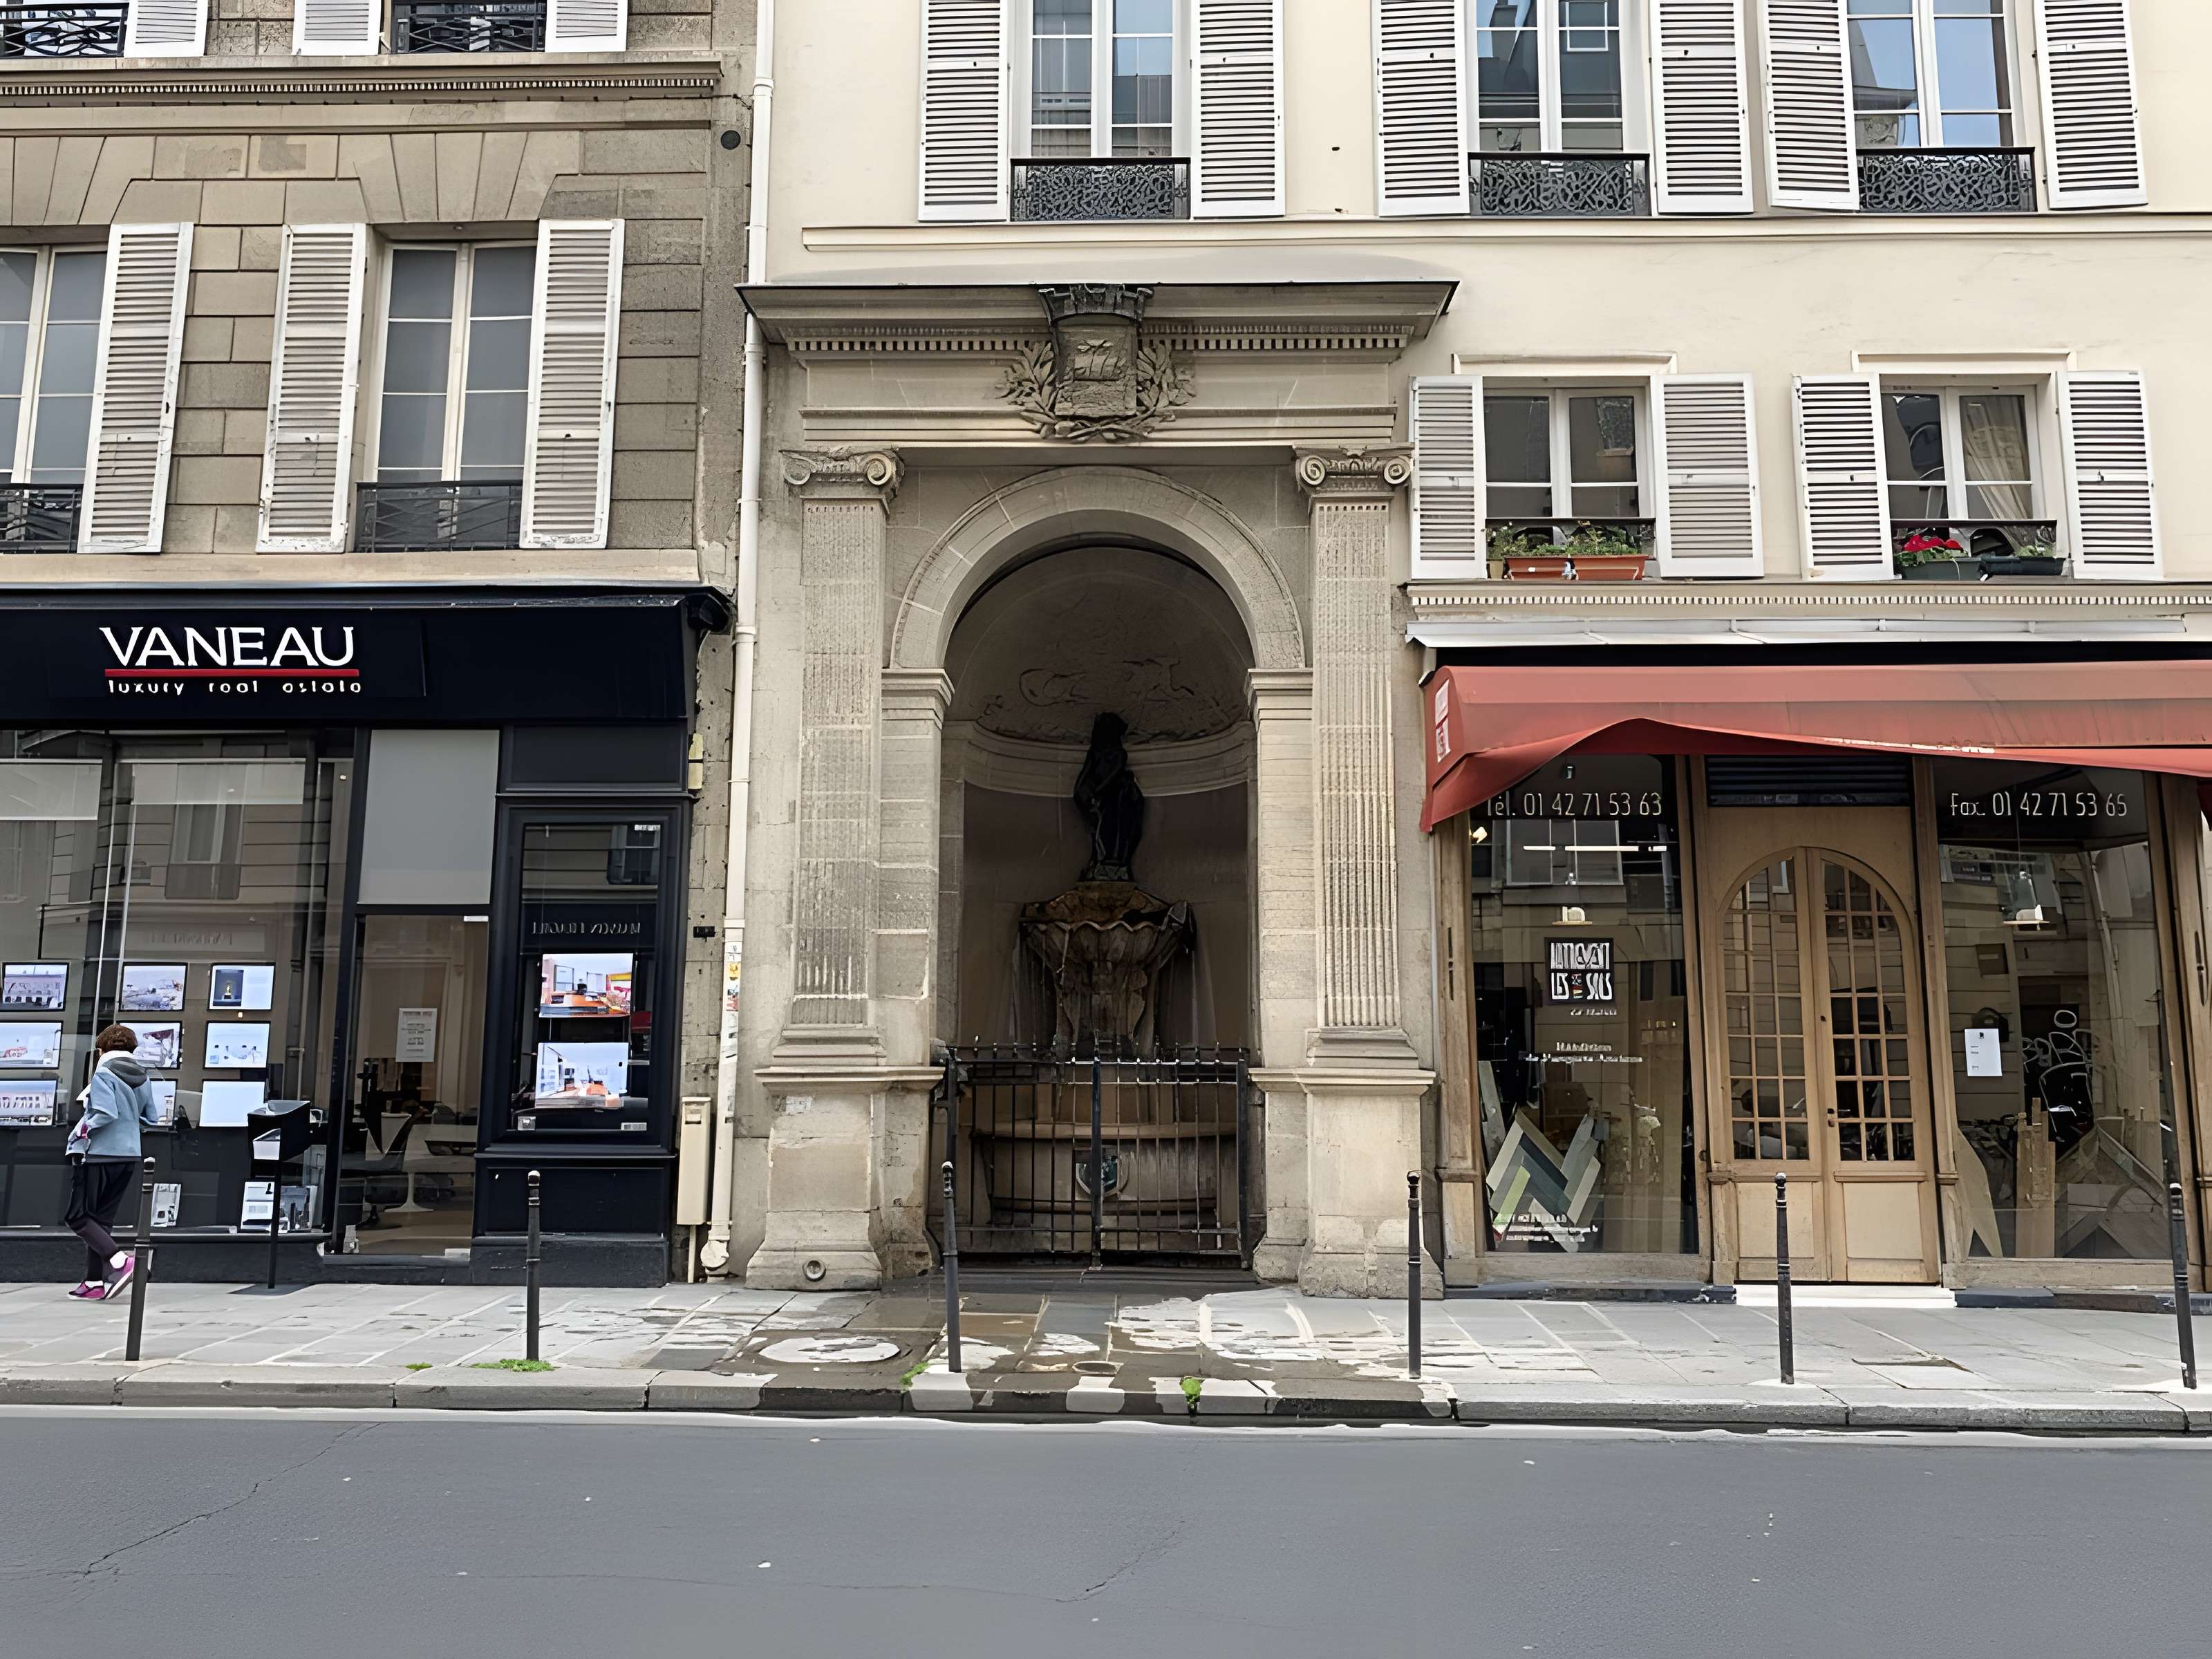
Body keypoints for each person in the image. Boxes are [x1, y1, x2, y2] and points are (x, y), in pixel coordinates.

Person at [63, 1024, 162, 1301]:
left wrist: (84, 1129)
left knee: (78, 1216)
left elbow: (105, 1113)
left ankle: (119, 1261)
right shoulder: (143, 1077)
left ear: (101, 1050)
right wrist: (130, 1125)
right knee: (101, 1220)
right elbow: (151, 1118)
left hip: (99, 1154)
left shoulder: (103, 1073)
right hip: (129, 1155)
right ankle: (94, 1281)